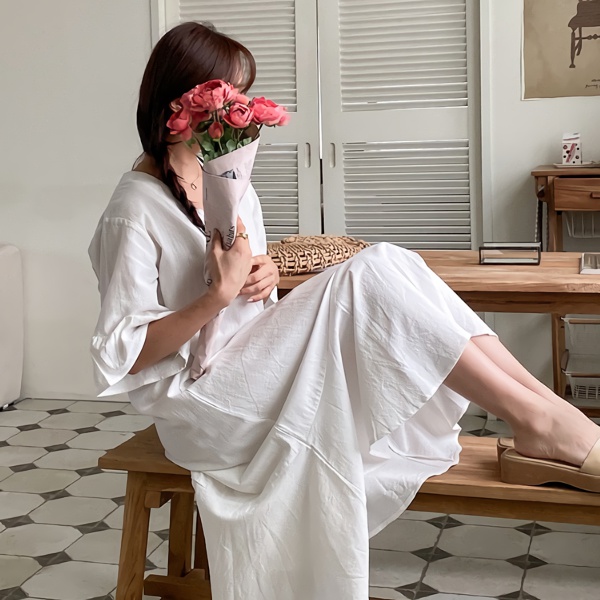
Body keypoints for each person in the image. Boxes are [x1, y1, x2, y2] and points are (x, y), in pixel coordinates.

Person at [89, 21, 600, 600]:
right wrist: (216, 298)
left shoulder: (226, 177)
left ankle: (547, 415)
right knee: (372, 274)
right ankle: (543, 424)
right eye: (226, 98)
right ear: (179, 107)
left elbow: (245, 289)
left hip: (250, 366)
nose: (239, 111)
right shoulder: (132, 210)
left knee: (392, 261)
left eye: (240, 97)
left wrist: (264, 273)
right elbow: (127, 356)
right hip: (202, 408)